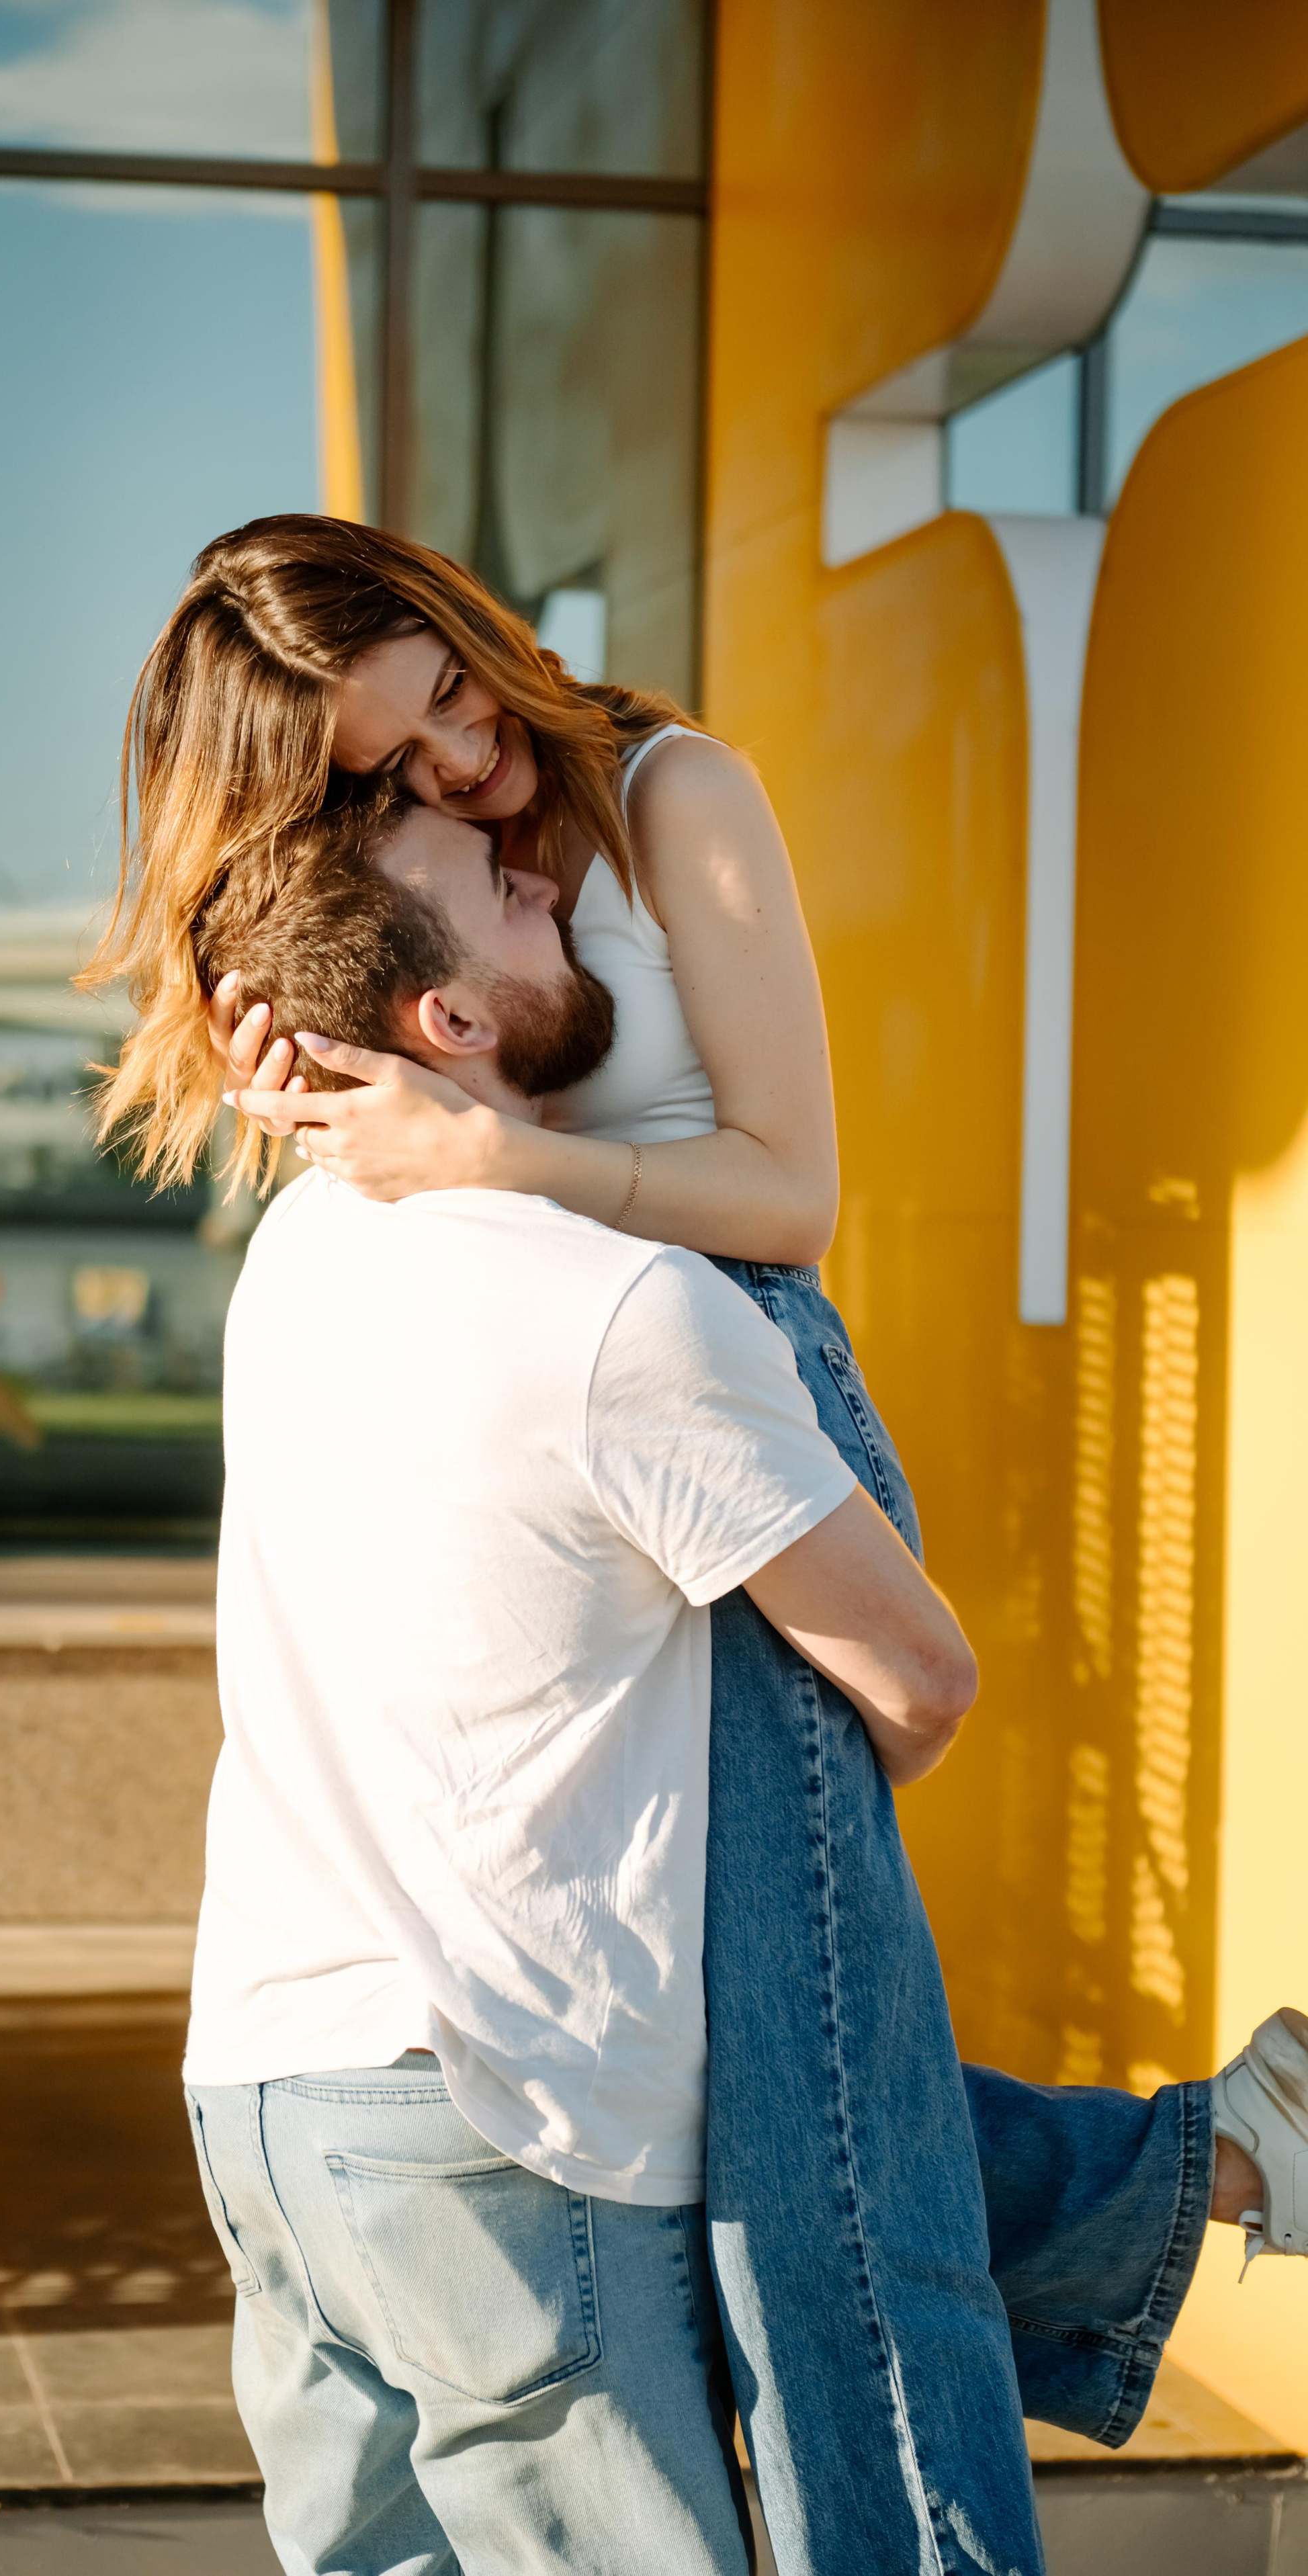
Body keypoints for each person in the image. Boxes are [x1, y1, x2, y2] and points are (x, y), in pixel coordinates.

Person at [92, 519, 1308, 2575]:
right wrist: (289, 1035)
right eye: (399, 763)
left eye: (458, 694)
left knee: (814, 2166)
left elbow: (794, 1190)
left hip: (735, 1402)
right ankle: (1225, 2152)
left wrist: (508, 1154)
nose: (469, 767)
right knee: (795, 2117)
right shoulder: (407, 926)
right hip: (592, 1457)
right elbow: (349, 1043)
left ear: (476, 628)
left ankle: (1192, 2193)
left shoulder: (668, 797)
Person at [185, 781, 994, 2573]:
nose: (547, 874)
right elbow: (921, 1676)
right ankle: (1223, 2166)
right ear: (448, 1021)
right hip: (494, 2115)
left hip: (265, 2105)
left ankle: (1218, 2164)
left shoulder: (295, 1255)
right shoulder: (627, 1311)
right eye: (503, 885)